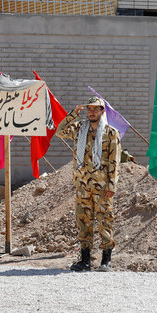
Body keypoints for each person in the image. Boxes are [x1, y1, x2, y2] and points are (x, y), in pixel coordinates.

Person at [56, 96, 120, 272]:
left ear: (102, 111)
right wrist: (72, 115)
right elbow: (59, 132)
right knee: (83, 222)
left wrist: (111, 186)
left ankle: (106, 261)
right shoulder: (79, 129)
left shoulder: (111, 133)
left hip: (102, 188)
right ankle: (85, 261)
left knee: (105, 221)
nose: (91, 112)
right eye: (89, 109)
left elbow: (114, 162)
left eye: (95, 109)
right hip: (83, 186)